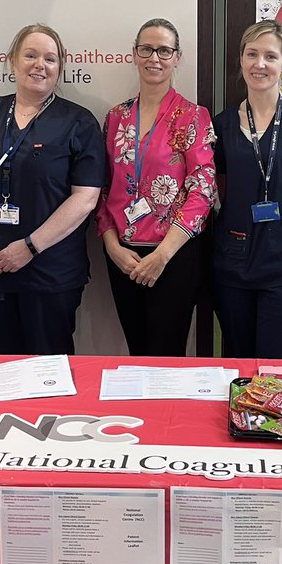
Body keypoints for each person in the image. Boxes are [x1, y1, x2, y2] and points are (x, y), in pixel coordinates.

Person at [0, 23, 104, 355]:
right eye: (30, 55)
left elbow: (85, 198)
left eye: (50, 59)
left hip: (48, 273)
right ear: (12, 61)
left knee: (49, 374)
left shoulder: (79, 122)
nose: (40, 65)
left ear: (60, 69)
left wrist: (28, 247)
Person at [96, 18, 217, 355]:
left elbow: (203, 189)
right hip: (124, 255)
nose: (155, 58)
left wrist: (162, 256)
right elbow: (102, 189)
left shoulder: (193, 116)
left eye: (164, 50)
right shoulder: (116, 117)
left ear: (177, 57)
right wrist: (111, 246)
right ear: (134, 54)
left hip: (174, 254)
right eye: (147, 49)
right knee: (137, 351)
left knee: (167, 355)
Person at [212, 20, 282, 358]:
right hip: (234, 267)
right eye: (252, 54)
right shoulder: (221, 124)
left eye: (270, 56)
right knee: (240, 366)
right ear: (241, 59)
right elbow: (221, 192)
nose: (259, 64)